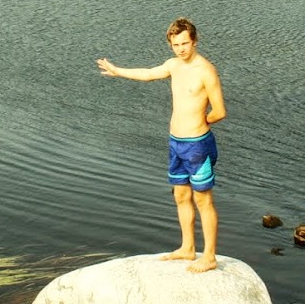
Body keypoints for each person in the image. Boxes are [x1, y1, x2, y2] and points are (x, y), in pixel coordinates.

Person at [96, 18, 226, 273]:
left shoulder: (205, 70)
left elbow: (219, 111)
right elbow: (147, 74)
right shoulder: (174, 65)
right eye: (176, 44)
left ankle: (209, 255)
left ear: (195, 41)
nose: (181, 49)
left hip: (197, 144)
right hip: (176, 142)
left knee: (203, 200)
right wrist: (117, 70)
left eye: (185, 43)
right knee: (180, 195)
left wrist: (202, 121)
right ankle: (188, 247)